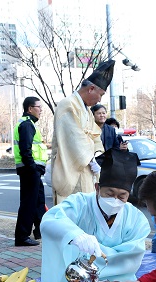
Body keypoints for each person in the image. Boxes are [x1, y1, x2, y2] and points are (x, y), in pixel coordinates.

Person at [40, 148, 150, 282]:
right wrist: (75, 235)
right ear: (98, 188)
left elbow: (132, 256)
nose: (115, 200)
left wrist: (98, 258)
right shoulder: (80, 203)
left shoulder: (135, 218)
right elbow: (51, 220)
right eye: (110, 193)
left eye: (122, 196)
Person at [50, 60, 114, 204]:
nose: (100, 99)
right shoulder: (68, 104)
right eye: (101, 94)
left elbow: (95, 137)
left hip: (87, 169)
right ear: (91, 89)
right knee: (73, 212)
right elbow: (75, 139)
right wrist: (91, 159)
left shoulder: (87, 111)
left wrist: (97, 156)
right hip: (73, 170)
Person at [14, 97, 48, 247]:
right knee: (28, 203)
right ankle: (22, 236)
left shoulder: (30, 124)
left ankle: (41, 230)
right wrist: (33, 167)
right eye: (38, 107)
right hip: (29, 170)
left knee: (38, 201)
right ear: (30, 108)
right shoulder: (27, 125)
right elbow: (25, 150)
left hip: (33, 170)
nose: (41, 110)